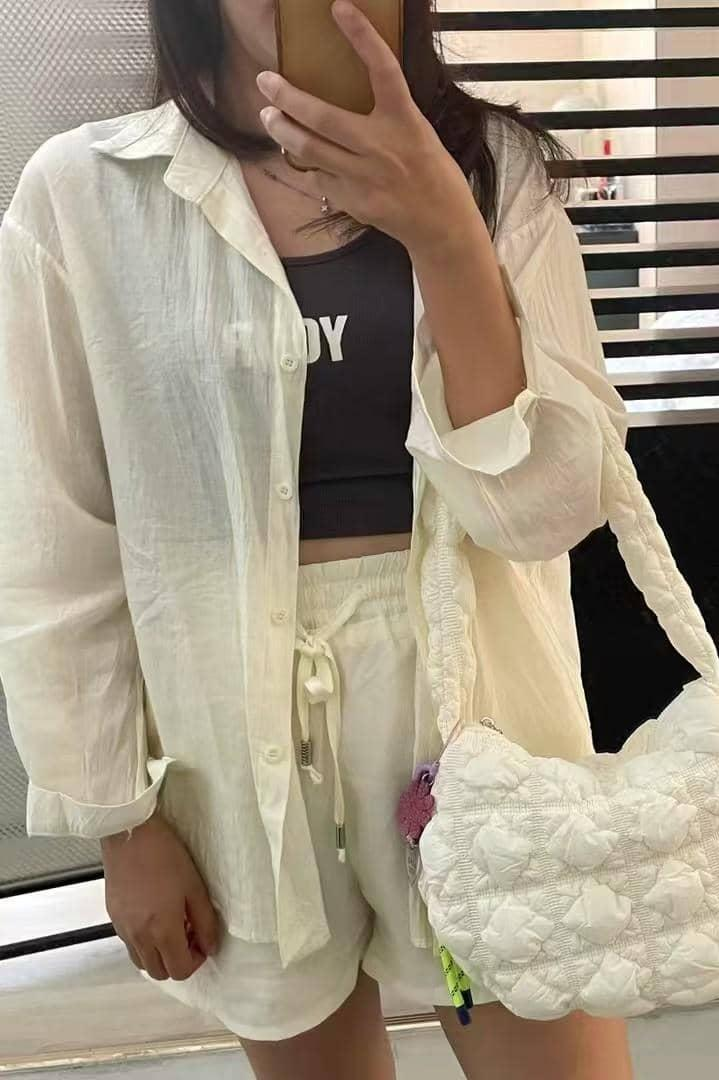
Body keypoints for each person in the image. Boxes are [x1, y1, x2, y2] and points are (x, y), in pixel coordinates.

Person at [0, 0, 634, 1076]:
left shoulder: (495, 171)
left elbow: (545, 510)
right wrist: (121, 824)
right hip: (226, 734)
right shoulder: (85, 194)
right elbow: (56, 546)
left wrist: (445, 232)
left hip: (483, 713)